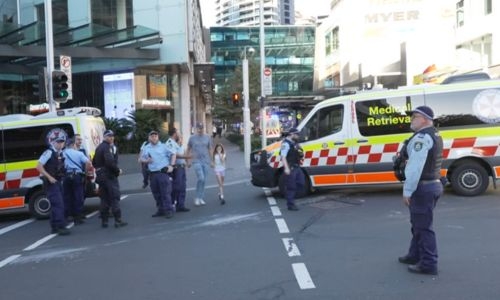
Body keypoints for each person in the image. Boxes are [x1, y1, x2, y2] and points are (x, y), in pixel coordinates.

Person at [398, 106, 443, 275]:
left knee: (424, 227)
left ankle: (429, 264)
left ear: (425, 119)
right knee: (418, 224)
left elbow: (415, 168)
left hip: (422, 187)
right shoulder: (434, 134)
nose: (412, 119)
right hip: (432, 185)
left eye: (415, 116)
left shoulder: (422, 138)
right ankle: (414, 254)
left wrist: (407, 191)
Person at [93, 130, 128, 228]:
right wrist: (117, 171)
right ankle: (118, 220)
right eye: (109, 136)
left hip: (101, 176)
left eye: (112, 136)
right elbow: (109, 162)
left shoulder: (99, 147)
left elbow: (94, 162)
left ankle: (104, 222)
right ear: (104, 137)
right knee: (114, 197)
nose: (111, 138)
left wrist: (100, 170)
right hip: (109, 176)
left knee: (104, 199)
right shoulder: (107, 147)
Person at [36, 136, 70, 235]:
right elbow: (38, 166)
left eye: (62, 142)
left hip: (57, 181)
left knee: (57, 204)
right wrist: (49, 177)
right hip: (51, 182)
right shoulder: (49, 152)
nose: (60, 144)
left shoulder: (60, 153)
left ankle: (55, 226)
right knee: (58, 204)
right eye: (58, 142)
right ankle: (60, 226)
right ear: (53, 143)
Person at [140, 130, 176, 218]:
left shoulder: (164, 146)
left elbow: (173, 153)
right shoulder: (146, 147)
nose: (154, 137)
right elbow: (141, 159)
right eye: (152, 136)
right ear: (149, 138)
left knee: (165, 193)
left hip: (162, 172)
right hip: (152, 174)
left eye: (155, 136)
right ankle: (161, 210)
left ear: (158, 137)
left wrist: (171, 165)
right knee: (156, 193)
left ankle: (168, 210)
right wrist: (146, 161)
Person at [63, 138, 92, 224]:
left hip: (66, 176)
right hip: (77, 176)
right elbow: (88, 163)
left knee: (67, 196)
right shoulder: (78, 153)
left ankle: (68, 215)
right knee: (78, 196)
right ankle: (78, 217)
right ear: (73, 145)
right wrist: (85, 172)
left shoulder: (62, 153)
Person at [187, 122, 214, 206]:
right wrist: (187, 161)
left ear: (203, 128)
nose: (200, 129)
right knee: (201, 178)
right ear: (196, 129)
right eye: (198, 128)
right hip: (196, 161)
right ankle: (197, 197)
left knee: (204, 180)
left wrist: (212, 161)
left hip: (205, 161)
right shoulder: (192, 138)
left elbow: (210, 149)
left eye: (201, 128)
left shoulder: (208, 137)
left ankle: (201, 197)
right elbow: (188, 149)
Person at [165, 128, 191, 212]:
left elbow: (180, 153)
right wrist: (187, 157)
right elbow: (175, 155)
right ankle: (172, 204)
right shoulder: (169, 143)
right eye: (178, 132)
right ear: (175, 133)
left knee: (182, 187)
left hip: (181, 167)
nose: (179, 134)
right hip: (176, 168)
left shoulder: (176, 143)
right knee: (176, 187)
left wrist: (186, 161)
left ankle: (181, 205)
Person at [280, 128, 305, 211]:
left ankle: (291, 197)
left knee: (301, 183)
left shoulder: (293, 143)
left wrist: (300, 152)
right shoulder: (286, 144)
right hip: (291, 168)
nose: (298, 136)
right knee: (291, 187)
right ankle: (290, 204)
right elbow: (283, 157)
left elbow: (298, 153)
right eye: (296, 134)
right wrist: (286, 168)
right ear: (291, 134)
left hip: (297, 167)